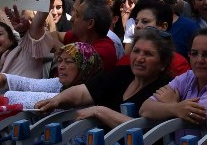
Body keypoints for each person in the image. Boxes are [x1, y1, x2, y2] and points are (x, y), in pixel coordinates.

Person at [35, 28, 173, 127]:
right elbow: (83, 92)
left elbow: (141, 128)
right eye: (136, 51)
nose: (139, 58)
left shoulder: (167, 89)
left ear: (163, 63)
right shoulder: (121, 74)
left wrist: (99, 111)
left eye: (148, 54)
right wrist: (56, 100)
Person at [140, 28, 207, 129]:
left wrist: (172, 104)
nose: (199, 60)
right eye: (194, 53)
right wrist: (175, 108)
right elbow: (145, 108)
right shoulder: (188, 76)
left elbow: (197, 114)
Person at [0, 42, 103, 108]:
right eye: (60, 60)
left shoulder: (92, 93)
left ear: (85, 67)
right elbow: (31, 84)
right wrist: (3, 79)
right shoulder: (60, 84)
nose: (61, 66)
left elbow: (39, 99)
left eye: (69, 62)